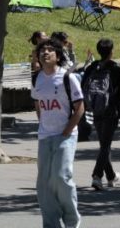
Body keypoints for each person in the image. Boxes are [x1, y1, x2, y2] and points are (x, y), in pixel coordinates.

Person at [31, 37, 84, 228]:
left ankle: (72, 220)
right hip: (45, 136)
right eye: (42, 50)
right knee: (44, 183)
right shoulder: (37, 78)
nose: (45, 53)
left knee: (61, 176)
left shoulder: (67, 78)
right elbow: (38, 104)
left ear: (58, 55)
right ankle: (51, 223)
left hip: (65, 135)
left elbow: (80, 107)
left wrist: (67, 131)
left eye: (50, 50)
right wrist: (43, 124)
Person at [82, 38, 120, 191]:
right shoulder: (116, 69)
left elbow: (83, 86)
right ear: (111, 51)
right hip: (111, 111)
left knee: (104, 144)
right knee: (105, 145)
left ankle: (111, 176)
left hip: (95, 109)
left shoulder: (92, 67)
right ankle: (97, 176)